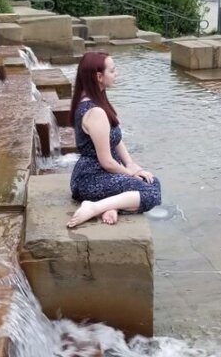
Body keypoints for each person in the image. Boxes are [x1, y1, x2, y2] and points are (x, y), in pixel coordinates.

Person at [67, 52, 162, 228]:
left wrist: (131, 164)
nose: (117, 73)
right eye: (112, 70)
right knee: (151, 193)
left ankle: (113, 207)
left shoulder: (97, 100)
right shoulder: (95, 112)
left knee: (152, 181)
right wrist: (132, 174)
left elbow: (115, 139)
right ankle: (94, 207)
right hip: (91, 178)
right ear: (99, 77)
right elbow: (107, 162)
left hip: (99, 174)